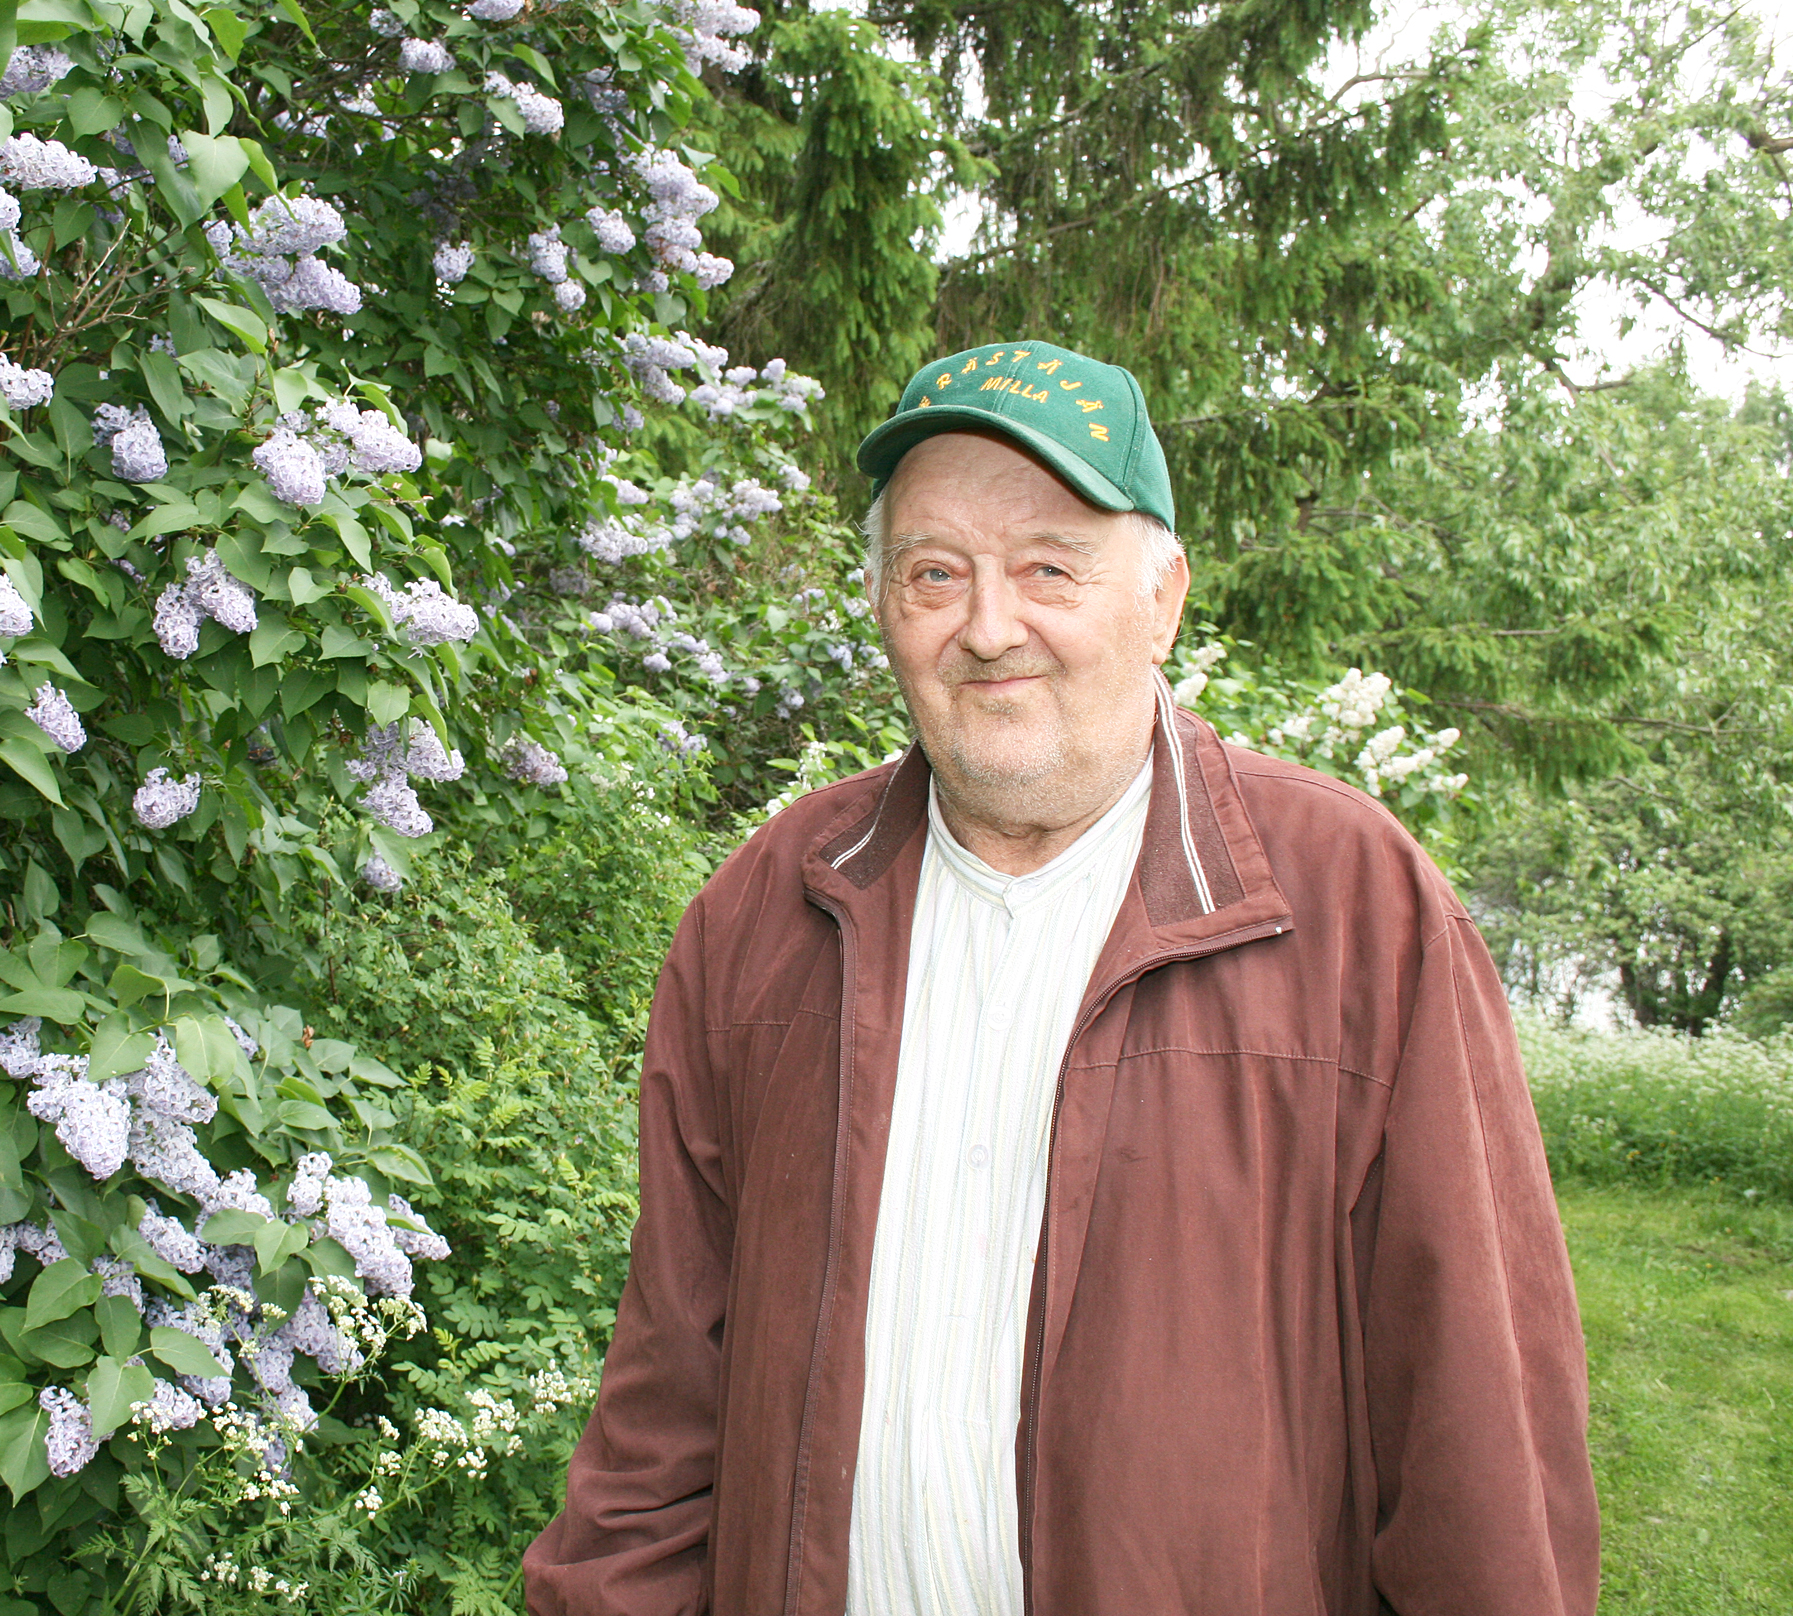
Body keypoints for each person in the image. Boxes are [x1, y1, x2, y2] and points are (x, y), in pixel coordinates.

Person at [523, 340, 1599, 1616]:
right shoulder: (766, 910)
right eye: (936, 572)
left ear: (1162, 599)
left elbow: (1478, 1422)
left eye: (1050, 566)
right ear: (882, 605)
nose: (988, 625)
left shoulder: (1355, 910)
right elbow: (666, 1401)